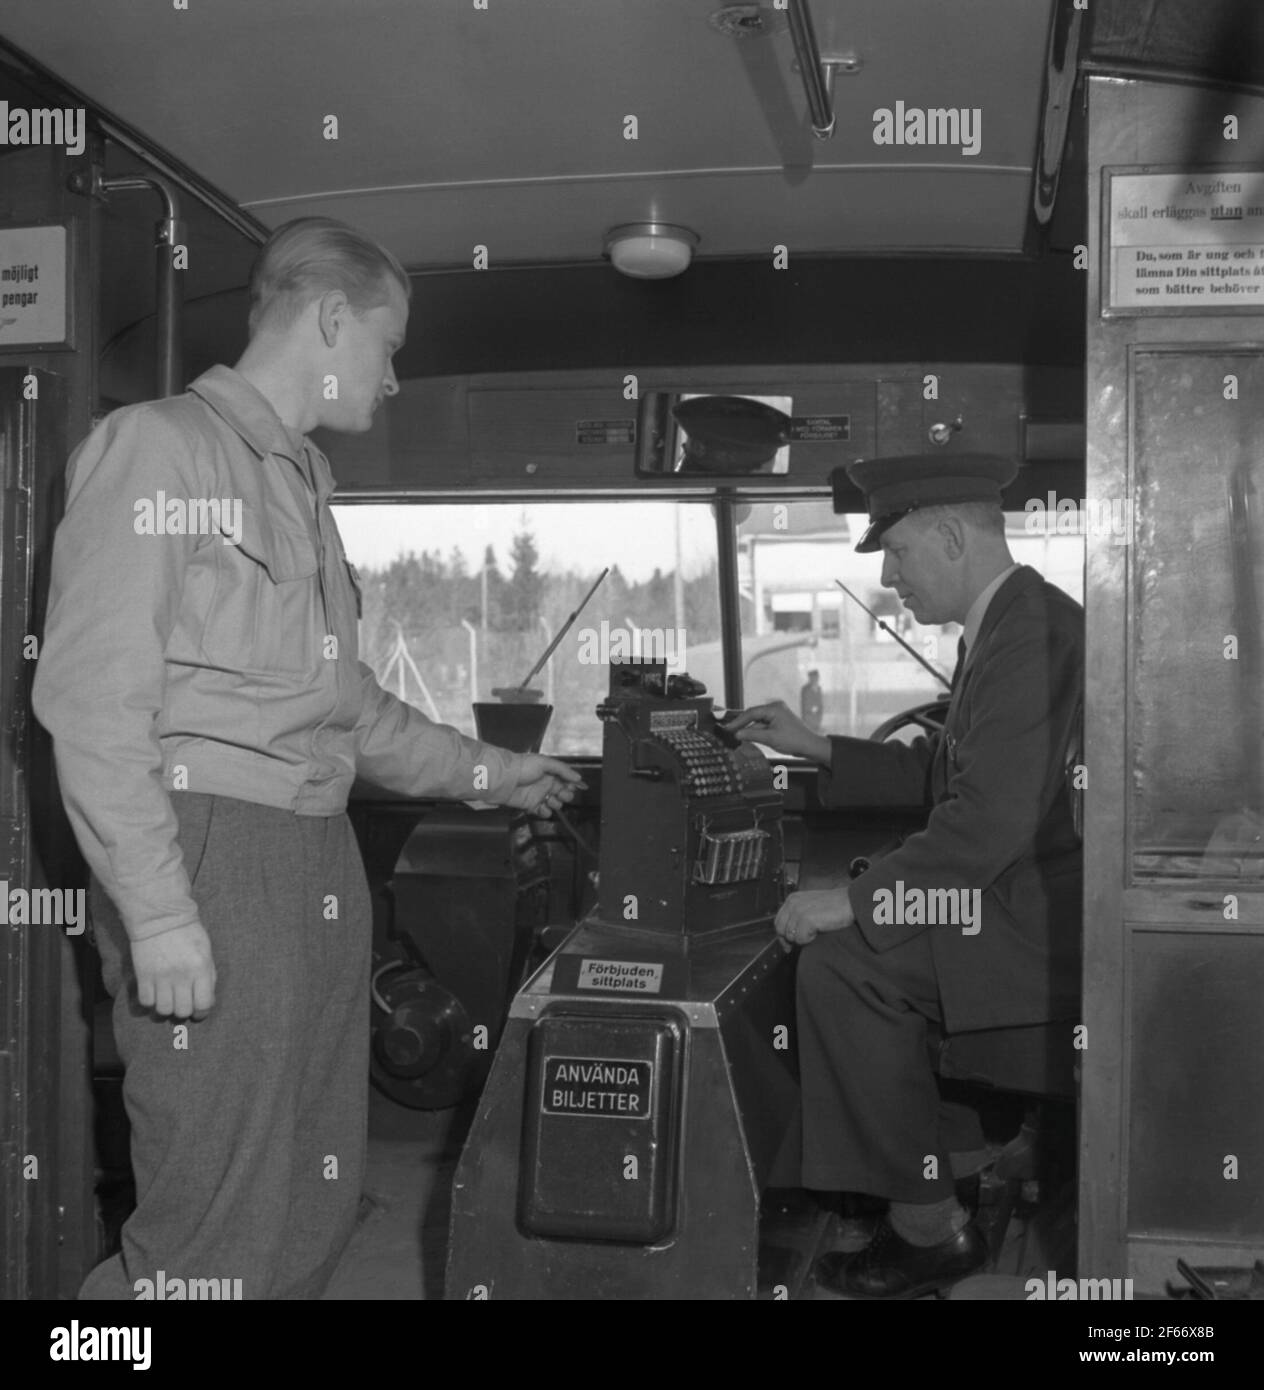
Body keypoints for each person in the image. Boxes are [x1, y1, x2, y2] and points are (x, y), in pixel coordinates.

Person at [31, 216, 583, 1300]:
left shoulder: (303, 487)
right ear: (332, 316)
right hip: (210, 848)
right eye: (389, 343)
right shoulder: (160, 448)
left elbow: (349, 713)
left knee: (306, 1189)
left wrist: (500, 772)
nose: (393, 375)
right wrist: (157, 912)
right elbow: (92, 701)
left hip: (313, 851)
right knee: (212, 1206)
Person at [727, 454, 1083, 1299]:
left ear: (953, 537)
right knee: (862, 911)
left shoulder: (1028, 634)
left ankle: (929, 1229)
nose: (891, 581)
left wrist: (849, 906)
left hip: (1046, 919)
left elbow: (983, 825)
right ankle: (951, 1152)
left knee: (844, 967)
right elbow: (946, 777)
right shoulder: (1011, 621)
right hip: (1024, 889)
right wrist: (813, 745)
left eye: (898, 557)